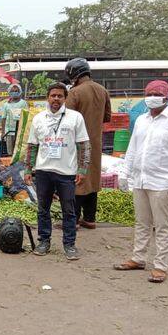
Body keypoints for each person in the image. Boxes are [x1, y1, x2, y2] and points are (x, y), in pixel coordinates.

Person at [115, 80, 168, 283]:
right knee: (142, 222)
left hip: (163, 181)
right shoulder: (141, 120)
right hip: (140, 180)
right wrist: (125, 173)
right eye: (148, 93)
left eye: (156, 93)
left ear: (166, 97)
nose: (151, 97)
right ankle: (138, 258)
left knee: (162, 225)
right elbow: (133, 149)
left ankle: (160, 265)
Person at [23, 82, 90, 260]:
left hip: (66, 172)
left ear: (65, 98)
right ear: (48, 97)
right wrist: (28, 169)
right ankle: (44, 241)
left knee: (69, 210)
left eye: (60, 96)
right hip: (43, 171)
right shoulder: (38, 119)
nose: (56, 99)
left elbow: (83, 145)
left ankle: (69, 244)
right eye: (53, 95)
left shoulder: (75, 118)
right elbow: (32, 146)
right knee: (42, 209)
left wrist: (82, 169)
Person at [64, 57, 112, 230]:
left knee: (76, 179)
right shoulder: (102, 90)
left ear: (73, 75)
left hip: (76, 143)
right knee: (93, 178)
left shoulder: (75, 92)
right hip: (96, 142)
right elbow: (107, 117)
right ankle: (90, 218)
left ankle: (73, 220)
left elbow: (65, 118)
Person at [0, 83, 28, 152]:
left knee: (19, 150)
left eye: (16, 91)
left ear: (19, 92)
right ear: (9, 92)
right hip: (8, 131)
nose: (14, 92)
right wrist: (3, 132)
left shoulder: (23, 103)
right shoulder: (6, 105)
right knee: (10, 151)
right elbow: (3, 118)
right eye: (12, 91)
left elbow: (26, 116)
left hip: (20, 131)